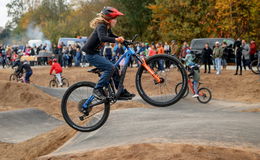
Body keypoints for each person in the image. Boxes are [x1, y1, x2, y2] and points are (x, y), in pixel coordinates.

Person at [81, 6, 135, 100]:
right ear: (109, 18)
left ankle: (120, 92)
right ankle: (97, 89)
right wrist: (116, 40)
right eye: (115, 18)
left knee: (115, 68)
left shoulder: (106, 26)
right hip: (91, 55)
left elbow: (111, 35)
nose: (116, 21)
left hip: (96, 53)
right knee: (111, 68)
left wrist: (124, 41)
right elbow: (102, 38)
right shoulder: (101, 25)